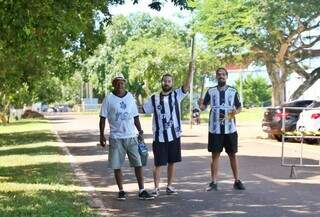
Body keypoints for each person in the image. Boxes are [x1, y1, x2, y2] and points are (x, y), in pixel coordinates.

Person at [99, 75, 154, 201]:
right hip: (116, 137)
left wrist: (140, 131)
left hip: (131, 136)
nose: (120, 85)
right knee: (117, 165)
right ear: (113, 84)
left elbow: (135, 116)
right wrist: (101, 135)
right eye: (117, 83)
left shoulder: (130, 97)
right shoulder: (108, 99)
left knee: (138, 163)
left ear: (125, 84)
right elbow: (102, 118)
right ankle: (121, 190)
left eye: (122, 83)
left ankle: (142, 190)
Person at [141, 64, 193, 197]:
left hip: (174, 135)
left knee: (171, 162)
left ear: (172, 83)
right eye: (165, 81)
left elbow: (186, 86)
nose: (166, 83)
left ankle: (169, 186)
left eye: (169, 81)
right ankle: (156, 188)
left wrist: (190, 71)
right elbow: (143, 109)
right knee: (158, 163)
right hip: (159, 136)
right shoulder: (154, 98)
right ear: (162, 82)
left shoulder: (177, 95)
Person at [198, 67, 245, 191]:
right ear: (216, 76)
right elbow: (203, 107)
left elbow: (240, 107)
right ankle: (214, 182)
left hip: (230, 129)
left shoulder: (233, 91)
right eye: (219, 74)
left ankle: (237, 180)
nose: (221, 76)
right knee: (215, 155)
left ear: (227, 76)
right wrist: (200, 104)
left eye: (223, 74)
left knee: (232, 155)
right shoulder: (211, 91)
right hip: (215, 129)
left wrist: (236, 112)